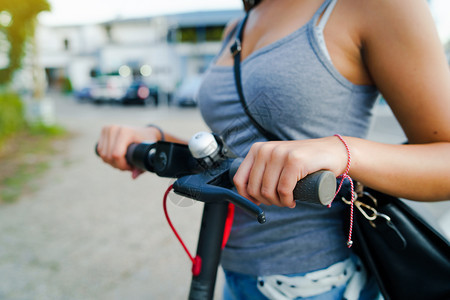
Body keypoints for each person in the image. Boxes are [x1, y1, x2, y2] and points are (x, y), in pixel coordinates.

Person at [97, 0, 450, 298]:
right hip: (234, 274)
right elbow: (231, 156)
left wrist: (340, 151)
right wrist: (154, 137)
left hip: (319, 282)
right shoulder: (237, 27)